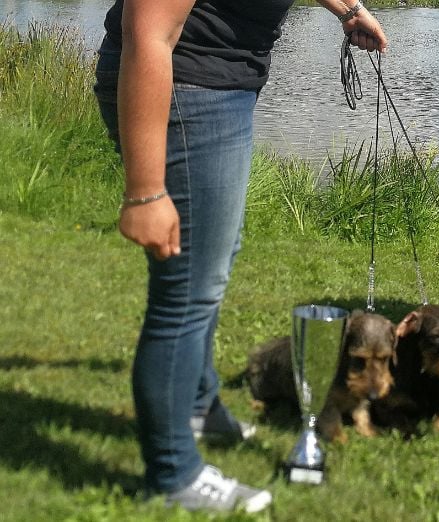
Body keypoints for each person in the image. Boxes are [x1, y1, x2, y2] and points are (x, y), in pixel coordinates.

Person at [93, 0, 387, 513]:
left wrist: (347, 9)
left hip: (219, 87)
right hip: (184, 92)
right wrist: (145, 192)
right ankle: (172, 472)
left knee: (212, 265)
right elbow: (148, 33)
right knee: (186, 292)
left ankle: (199, 406)